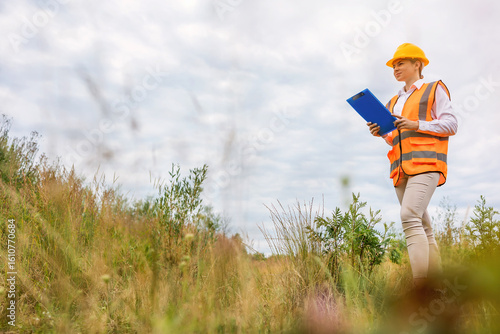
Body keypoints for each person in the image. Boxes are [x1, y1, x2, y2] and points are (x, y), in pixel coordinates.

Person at [367, 43, 458, 289]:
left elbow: (451, 125)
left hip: (427, 164)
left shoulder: (434, 89)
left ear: (417, 64)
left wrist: (416, 124)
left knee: (409, 216)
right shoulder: (393, 101)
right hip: (400, 170)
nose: (395, 68)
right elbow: (394, 136)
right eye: (394, 65)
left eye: (400, 63)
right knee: (423, 226)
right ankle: (438, 289)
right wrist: (381, 133)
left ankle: (421, 288)